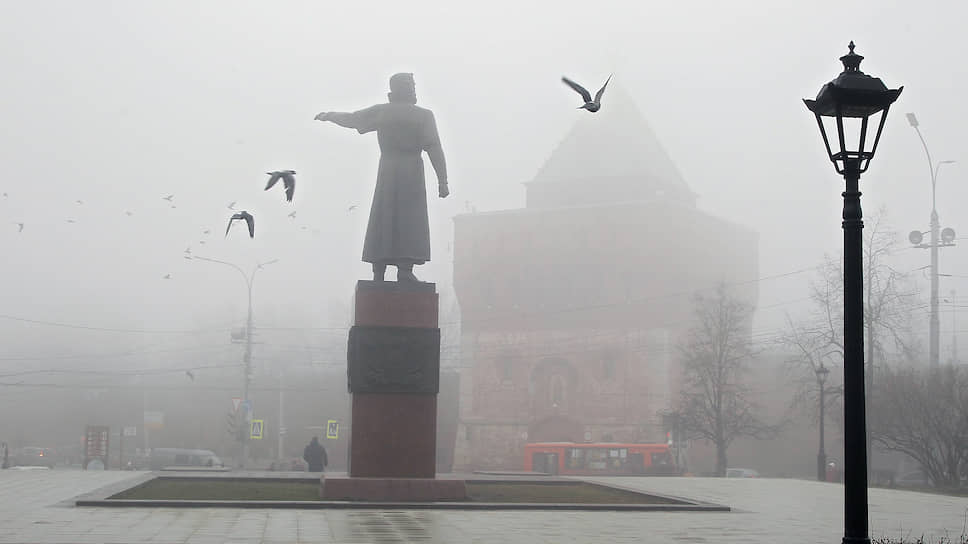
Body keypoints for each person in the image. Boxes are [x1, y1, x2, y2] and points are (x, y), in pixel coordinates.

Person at [315, 72, 449, 282]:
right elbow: (434, 147)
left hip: (388, 169)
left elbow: (352, 119)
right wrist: (443, 180)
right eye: (412, 85)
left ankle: (379, 269)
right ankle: (405, 270)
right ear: (407, 89)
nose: (414, 89)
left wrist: (329, 115)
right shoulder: (423, 116)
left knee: (383, 218)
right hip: (411, 172)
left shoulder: (383, 112)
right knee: (409, 220)